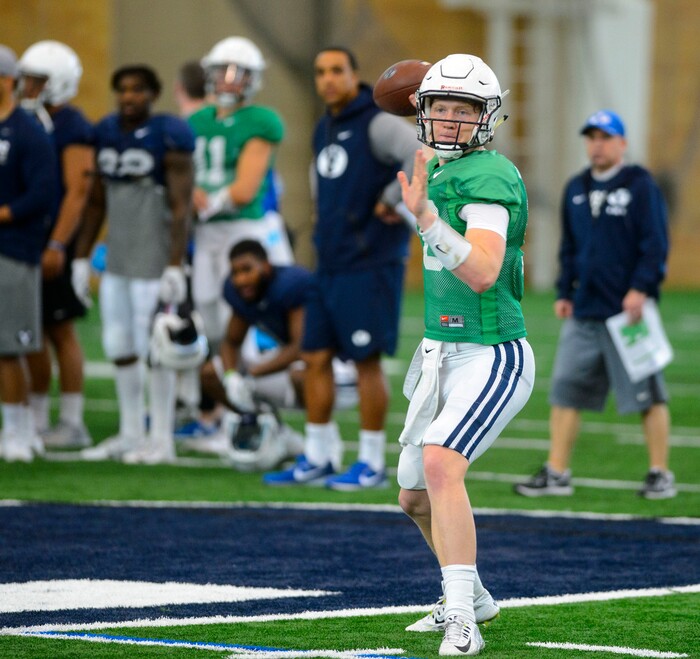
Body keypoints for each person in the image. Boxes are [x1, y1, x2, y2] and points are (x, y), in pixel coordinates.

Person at [396, 54, 535, 655]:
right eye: (441, 107)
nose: (450, 119)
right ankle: (473, 594)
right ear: (422, 111)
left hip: (490, 349)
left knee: (441, 467)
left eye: (464, 109)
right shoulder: (434, 165)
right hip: (439, 349)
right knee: (413, 496)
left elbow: (480, 271)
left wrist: (425, 217)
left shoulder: (490, 175)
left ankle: (462, 619)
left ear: (486, 117)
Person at [263, 46, 418, 490]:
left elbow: (421, 155)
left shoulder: (379, 122)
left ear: (354, 75)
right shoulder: (324, 128)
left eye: (336, 70)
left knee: (366, 363)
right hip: (328, 264)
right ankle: (319, 454)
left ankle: (371, 462)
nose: (328, 79)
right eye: (320, 72)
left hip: (371, 264)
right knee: (314, 357)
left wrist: (391, 199)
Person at [514, 109, 674, 500]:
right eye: (592, 137)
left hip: (628, 312)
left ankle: (660, 473)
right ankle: (557, 472)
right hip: (584, 309)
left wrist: (641, 287)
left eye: (605, 137)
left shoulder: (640, 185)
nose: (597, 144)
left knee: (648, 394)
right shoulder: (576, 187)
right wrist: (564, 290)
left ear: (622, 143)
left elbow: (655, 242)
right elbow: (569, 247)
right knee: (566, 390)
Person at [72, 64, 195, 464]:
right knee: (119, 345)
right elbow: (94, 201)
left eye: (138, 89)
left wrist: (175, 263)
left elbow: (181, 206)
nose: (129, 96)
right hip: (119, 259)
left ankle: (161, 438)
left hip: (154, 258)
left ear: (154, 93)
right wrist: (79, 255)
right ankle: (130, 433)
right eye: (122, 89)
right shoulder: (105, 131)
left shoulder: (168, 134)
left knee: (156, 349)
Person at [188, 239, 356, 454]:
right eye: (236, 272)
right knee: (211, 373)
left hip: (338, 371)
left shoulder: (291, 285)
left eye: (247, 270)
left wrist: (252, 374)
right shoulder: (239, 292)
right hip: (297, 364)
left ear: (266, 265)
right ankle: (275, 430)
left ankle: (326, 441)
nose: (241, 279)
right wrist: (231, 377)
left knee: (300, 373)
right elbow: (231, 342)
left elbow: (300, 346)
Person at [188, 36, 294, 352]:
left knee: (239, 308)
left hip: (242, 229)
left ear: (254, 78)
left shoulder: (261, 120)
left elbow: (245, 190)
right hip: (206, 231)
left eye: (239, 74)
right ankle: (222, 382)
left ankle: (247, 383)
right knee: (205, 304)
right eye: (223, 71)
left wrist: (206, 203)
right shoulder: (195, 120)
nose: (229, 81)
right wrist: (188, 194)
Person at [17, 40, 96, 449]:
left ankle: (71, 420)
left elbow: (77, 192)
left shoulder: (72, 125)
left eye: (37, 80)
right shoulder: (30, 119)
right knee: (28, 331)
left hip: (53, 241)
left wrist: (58, 243)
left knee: (59, 329)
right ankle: (34, 416)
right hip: (27, 240)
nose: (28, 86)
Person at [0, 45, 57, 462]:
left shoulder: (28, 132)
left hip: (13, 249)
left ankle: (20, 431)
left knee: (9, 347)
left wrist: (4, 212)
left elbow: (44, 193)